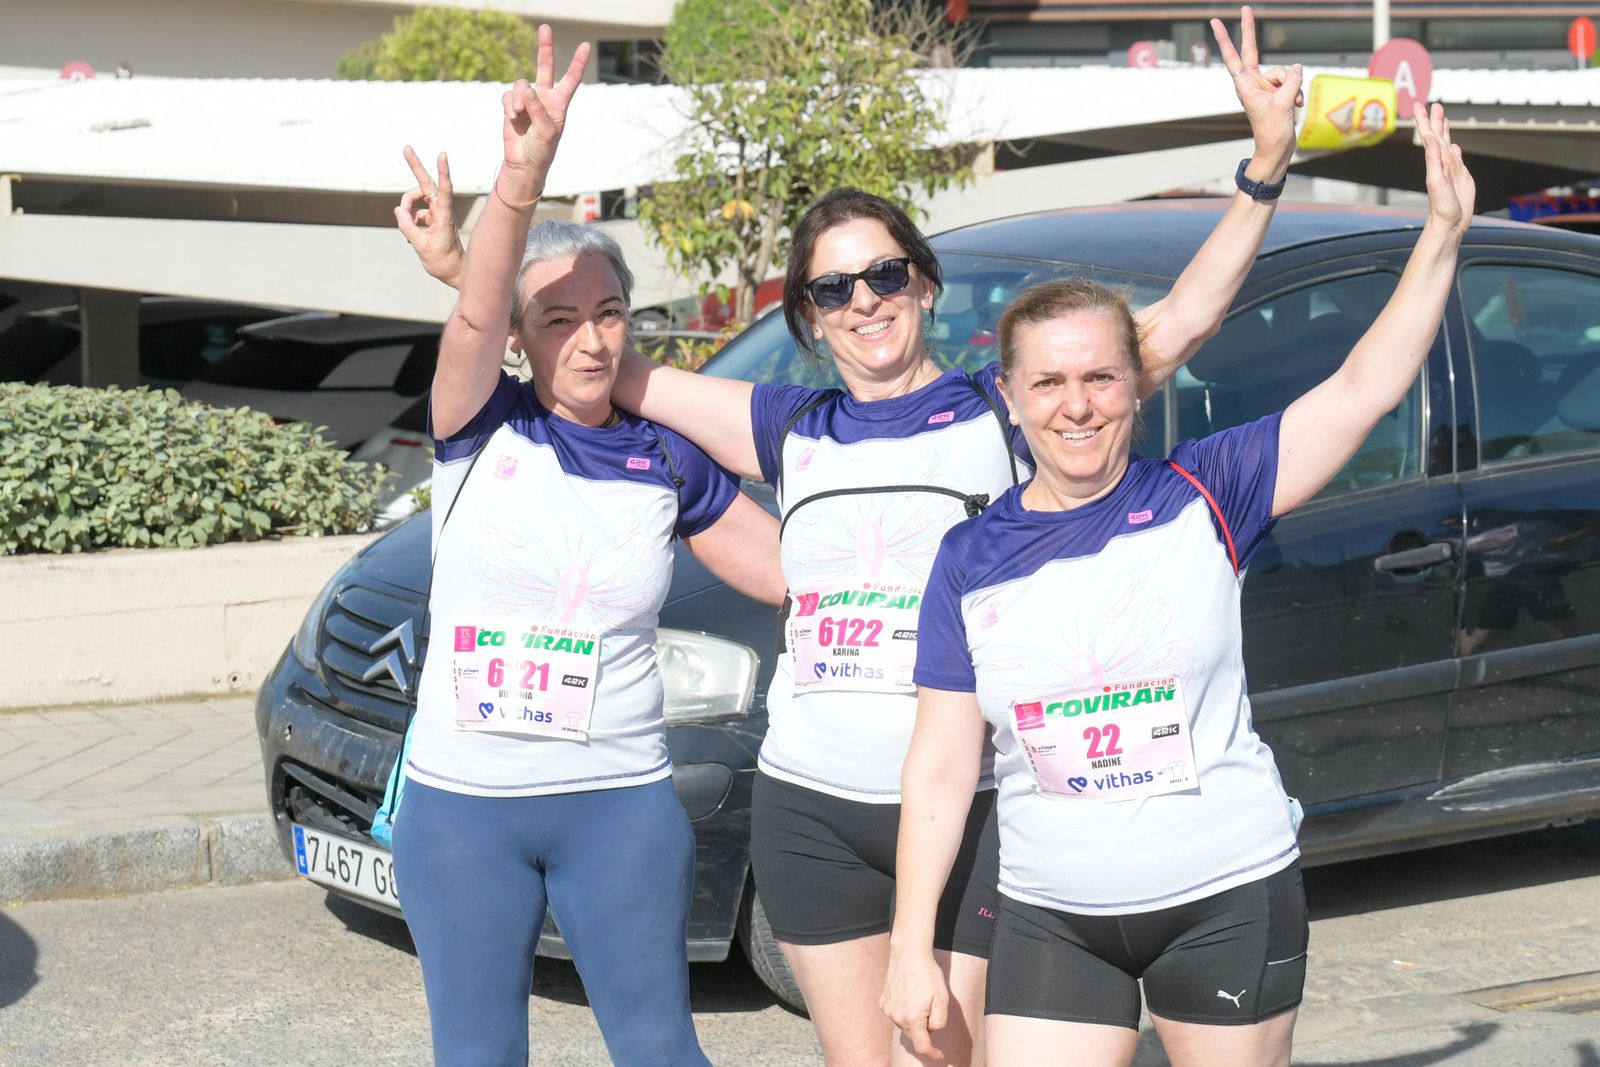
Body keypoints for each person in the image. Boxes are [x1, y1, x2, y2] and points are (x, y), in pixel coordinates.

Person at [397, 12, 1301, 1063]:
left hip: (960, 805)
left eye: (884, 275)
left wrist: (1263, 170)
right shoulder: (788, 427)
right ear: (811, 316)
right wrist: (478, 260)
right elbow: (584, 359)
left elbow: (1180, 322)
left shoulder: (1004, 405)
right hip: (810, 804)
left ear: (922, 282)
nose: (863, 300)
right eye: (833, 288)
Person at [882, 102, 1474, 1067]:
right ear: (1010, 399)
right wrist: (912, 947)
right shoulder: (969, 557)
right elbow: (942, 766)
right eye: (1049, 384)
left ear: (1136, 383)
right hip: (1052, 913)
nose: (1077, 405)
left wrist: (1442, 233)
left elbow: (1364, 385)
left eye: (1101, 378)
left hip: (1225, 895)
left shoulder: (1209, 491)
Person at [389, 27, 783, 1067]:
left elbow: (790, 571)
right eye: (560, 319)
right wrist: (522, 178)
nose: (593, 339)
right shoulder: (478, 426)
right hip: (464, 808)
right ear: (523, 339)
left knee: (659, 1050)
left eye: (609, 313)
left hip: (619, 804)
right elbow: (473, 317)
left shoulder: (665, 454)